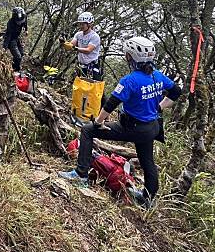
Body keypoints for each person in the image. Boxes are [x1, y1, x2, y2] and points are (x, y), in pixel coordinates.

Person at [58, 36, 182, 207]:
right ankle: (148, 199)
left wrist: (98, 123)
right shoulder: (157, 76)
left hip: (131, 126)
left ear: (130, 57)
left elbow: (110, 104)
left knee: (87, 130)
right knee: (148, 162)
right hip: (151, 128)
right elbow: (176, 91)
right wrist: (159, 107)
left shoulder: (130, 81)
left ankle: (81, 175)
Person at [64, 11, 102, 81]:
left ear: (89, 24)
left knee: (91, 87)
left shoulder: (94, 36)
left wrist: (74, 48)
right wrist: (65, 44)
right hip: (81, 65)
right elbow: (72, 44)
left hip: (92, 65)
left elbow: (88, 50)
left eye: (83, 24)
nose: (81, 26)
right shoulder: (78, 34)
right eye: (80, 24)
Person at [3, 7, 28, 72]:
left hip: (17, 37)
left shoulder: (23, 17)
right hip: (11, 39)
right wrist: (5, 47)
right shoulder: (10, 23)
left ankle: (14, 66)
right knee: (18, 57)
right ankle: (14, 70)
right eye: (18, 22)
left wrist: (26, 30)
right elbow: (8, 35)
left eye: (21, 21)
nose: (20, 23)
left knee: (21, 54)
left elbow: (25, 23)